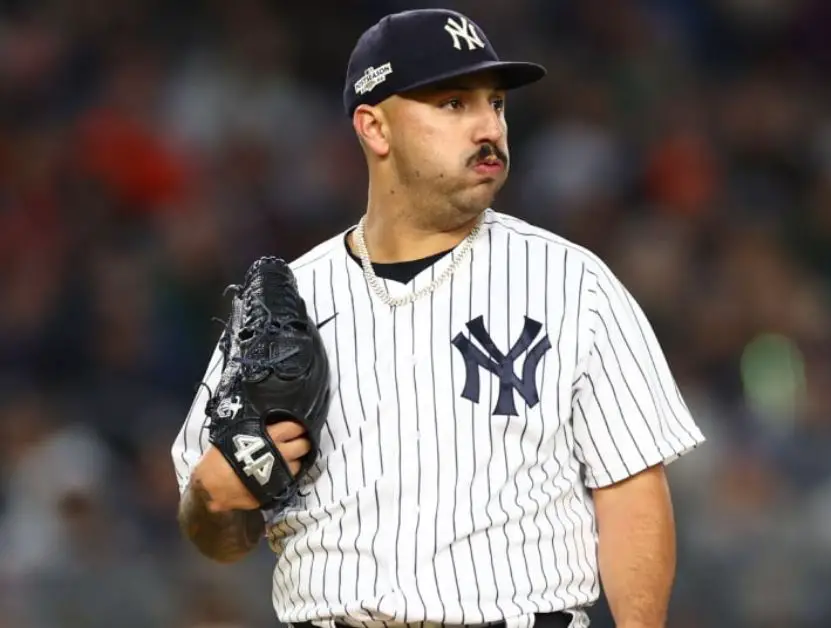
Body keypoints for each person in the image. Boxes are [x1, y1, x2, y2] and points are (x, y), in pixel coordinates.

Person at [171, 8, 706, 628]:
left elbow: (631, 495)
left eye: (497, 103)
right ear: (375, 128)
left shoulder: (572, 283)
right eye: (453, 103)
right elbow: (216, 535)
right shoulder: (294, 296)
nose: (489, 126)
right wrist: (211, 499)